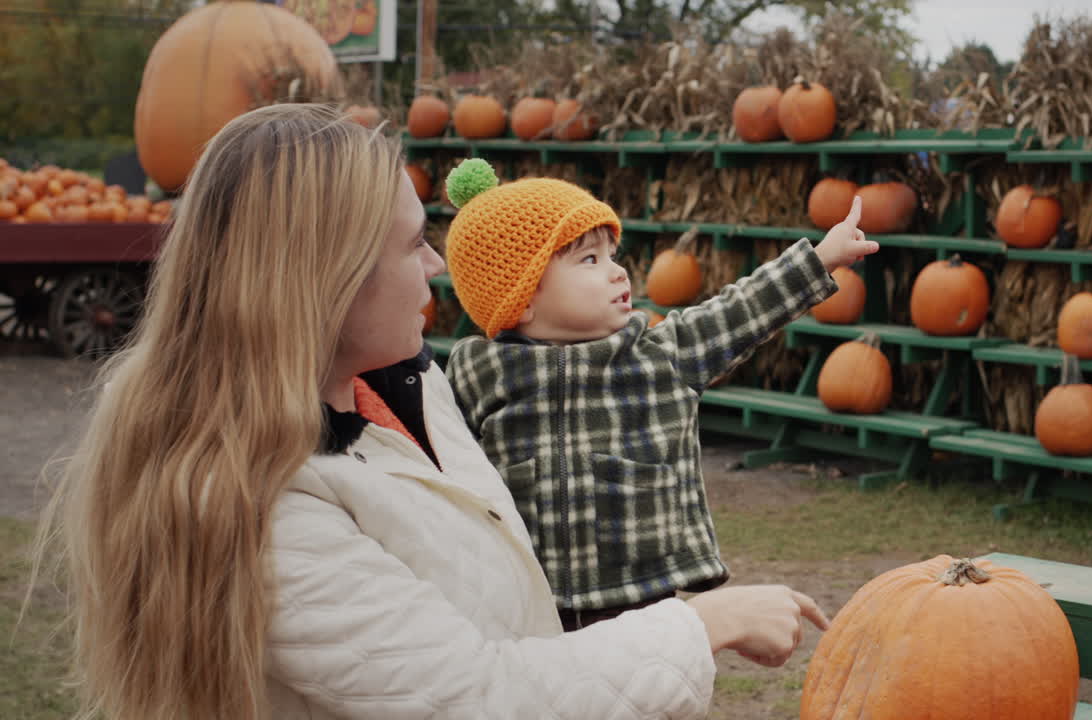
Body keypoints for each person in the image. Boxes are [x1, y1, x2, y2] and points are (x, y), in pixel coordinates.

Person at [32, 103, 832, 720]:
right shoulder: (259, 510)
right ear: (326, 281)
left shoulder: (411, 387)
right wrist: (706, 623)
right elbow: (478, 698)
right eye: (412, 243)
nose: (435, 265)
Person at [441, 159, 879, 630]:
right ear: (522, 298)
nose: (618, 273)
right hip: (528, 607)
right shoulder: (477, 372)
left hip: (639, 601)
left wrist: (820, 258)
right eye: (590, 260)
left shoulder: (658, 354)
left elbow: (738, 311)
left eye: (613, 255)